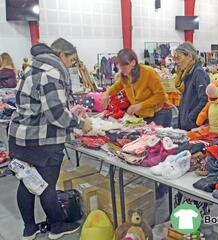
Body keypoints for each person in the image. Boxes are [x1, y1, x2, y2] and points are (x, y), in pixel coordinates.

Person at [8, 38, 92, 240]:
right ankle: (57, 226)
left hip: (19, 138)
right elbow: (56, 114)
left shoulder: (33, 67)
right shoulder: (53, 71)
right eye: (71, 60)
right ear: (61, 55)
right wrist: (81, 124)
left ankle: (29, 229)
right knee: (47, 186)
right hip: (41, 141)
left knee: (27, 183)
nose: (72, 65)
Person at [101, 48, 172, 127]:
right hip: (143, 115)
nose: (122, 67)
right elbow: (117, 86)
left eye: (125, 64)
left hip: (160, 113)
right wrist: (107, 93)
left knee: (157, 138)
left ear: (133, 62)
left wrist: (140, 105)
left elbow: (160, 96)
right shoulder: (125, 75)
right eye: (120, 65)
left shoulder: (148, 72)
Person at [175, 42, 210, 131]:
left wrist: (191, 117)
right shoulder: (187, 73)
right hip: (186, 123)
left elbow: (205, 99)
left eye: (179, 58)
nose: (177, 62)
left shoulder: (198, 73)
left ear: (189, 56)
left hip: (194, 125)